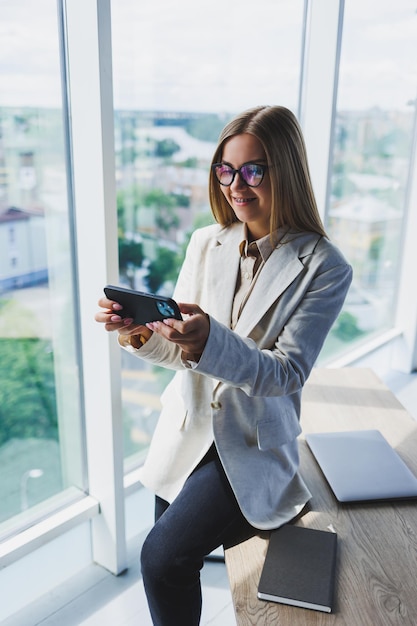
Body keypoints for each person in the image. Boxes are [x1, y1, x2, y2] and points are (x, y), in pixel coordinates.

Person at [95, 105, 352, 625]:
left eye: (254, 170)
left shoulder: (325, 266)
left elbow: (286, 373)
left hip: (251, 447)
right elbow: (182, 353)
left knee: (160, 558)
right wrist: (142, 333)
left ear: (288, 172)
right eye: (226, 170)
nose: (237, 185)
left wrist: (211, 339)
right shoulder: (206, 242)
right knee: (171, 566)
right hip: (186, 432)